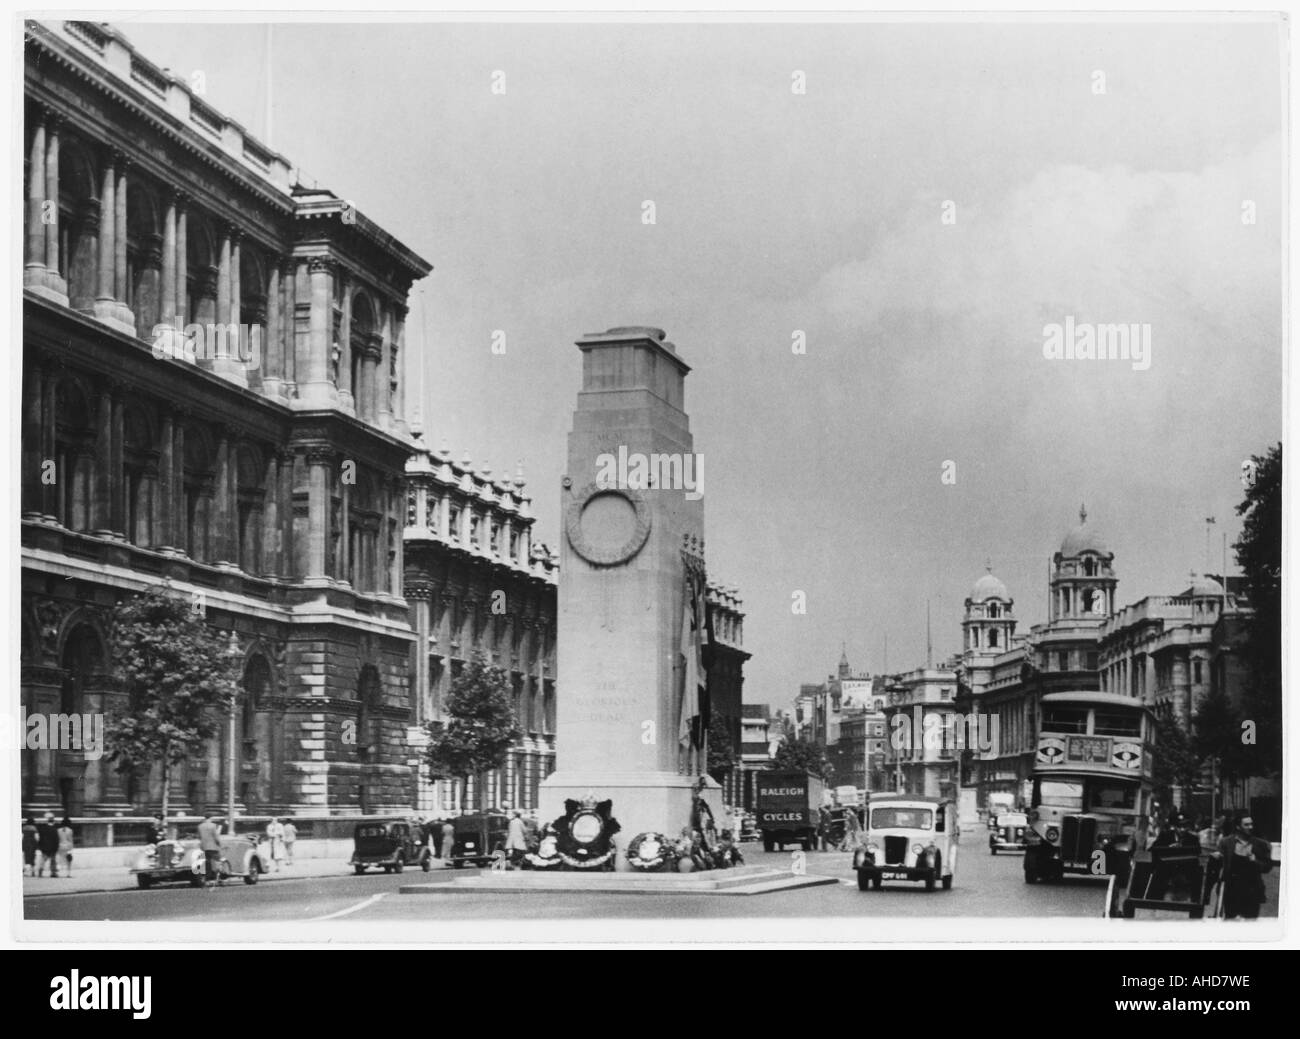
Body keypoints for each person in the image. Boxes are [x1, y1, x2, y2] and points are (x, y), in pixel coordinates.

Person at [1217, 815, 1272, 920]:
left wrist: (1255, 861)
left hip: (1252, 891)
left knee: (1250, 924)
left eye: (1251, 824)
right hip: (1231, 892)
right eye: (1246, 824)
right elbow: (1220, 863)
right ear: (1238, 826)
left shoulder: (1261, 844)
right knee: (1230, 923)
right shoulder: (1226, 843)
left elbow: (1267, 868)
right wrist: (1217, 856)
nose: (1250, 827)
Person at [197, 814, 223, 889]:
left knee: (207, 863)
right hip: (213, 847)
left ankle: (206, 879)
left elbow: (199, 837)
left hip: (204, 847)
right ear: (211, 818)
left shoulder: (200, 826)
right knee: (217, 861)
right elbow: (216, 837)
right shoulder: (213, 826)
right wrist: (219, 844)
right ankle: (218, 878)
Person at [36, 813, 60, 877]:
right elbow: (56, 840)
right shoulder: (54, 829)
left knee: (43, 859)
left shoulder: (43, 828)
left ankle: (40, 871)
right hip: (52, 848)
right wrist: (56, 847)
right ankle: (53, 873)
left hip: (44, 847)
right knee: (53, 860)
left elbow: (40, 838)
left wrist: (40, 846)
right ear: (53, 821)